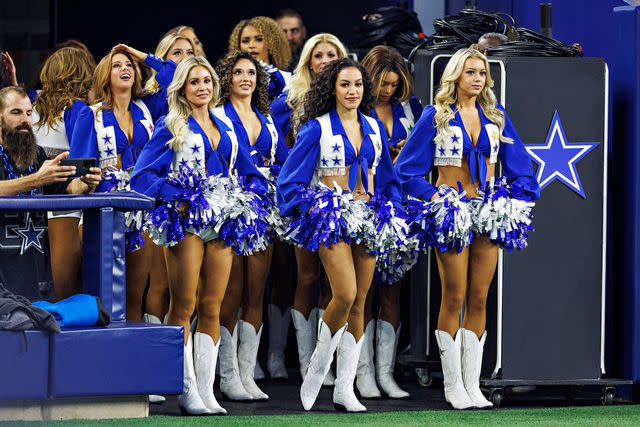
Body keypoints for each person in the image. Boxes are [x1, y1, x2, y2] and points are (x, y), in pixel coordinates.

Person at [395, 47, 540, 409]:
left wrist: (516, 196)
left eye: (482, 73)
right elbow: (407, 169)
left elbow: (518, 162)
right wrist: (433, 197)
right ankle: (453, 385)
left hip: (488, 211)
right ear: (455, 75)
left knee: (479, 296)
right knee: (454, 295)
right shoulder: (436, 116)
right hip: (452, 211)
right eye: (471, 72)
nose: (477, 79)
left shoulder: (496, 116)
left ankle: (473, 384)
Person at [130, 56, 268, 415]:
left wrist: (247, 196)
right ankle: (185, 389)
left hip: (221, 221)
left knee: (213, 305)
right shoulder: (170, 125)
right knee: (184, 305)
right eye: (194, 82)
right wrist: (176, 197)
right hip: (187, 222)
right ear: (182, 88)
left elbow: (250, 171)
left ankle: (207, 391)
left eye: (206, 80)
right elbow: (142, 176)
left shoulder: (227, 125)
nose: (202, 87)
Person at [277, 58, 405, 412]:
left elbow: (388, 176)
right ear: (332, 88)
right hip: (332, 217)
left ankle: (344, 388)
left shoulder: (374, 127)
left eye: (358, 85)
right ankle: (318, 366)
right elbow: (290, 180)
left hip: (368, 216)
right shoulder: (316, 128)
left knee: (361, 300)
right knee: (344, 292)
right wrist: (310, 210)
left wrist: (391, 210)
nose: (352, 91)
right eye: (345, 84)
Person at [269, 32, 347, 386]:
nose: (326, 60)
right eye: (319, 55)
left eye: (333, 54)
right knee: (307, 278)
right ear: (308, 62)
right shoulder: (289, 101)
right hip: (305, 202)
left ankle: (327, 363)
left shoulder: (349, 101)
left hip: (342, 205)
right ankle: (303, 362)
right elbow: (277, 147)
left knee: (337, 285)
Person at [214, 50, 288, 399]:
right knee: (229, 294)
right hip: (228, 210)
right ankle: (226, 376)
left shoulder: (268, 118)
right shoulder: (216, 116)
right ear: (226, 78)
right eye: (238, 72)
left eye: (252, 73)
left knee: (256, 292)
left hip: (263, 210)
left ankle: (247, 374)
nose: (246, 78)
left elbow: (285, 160)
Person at [355, 45, 423, 400]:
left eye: (395, 85)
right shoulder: (354, 108)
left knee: (392, 291)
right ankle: (362, 373)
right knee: (361, 293)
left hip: (402, 207)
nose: (388, 91)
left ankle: (386, 373)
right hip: (362, 205)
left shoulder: (413, 110)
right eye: (383, 83)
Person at [69, 49, 156, 323]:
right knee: (104, 299)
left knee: (136, 297)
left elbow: (175, 75)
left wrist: (140, 55)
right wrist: (84, 182)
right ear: (105, 75)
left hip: (142, 212)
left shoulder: (149, 109)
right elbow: (74, 180)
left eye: (128, 64)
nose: (123, 68)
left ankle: (133, 362)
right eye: (116, 65)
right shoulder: (90, 115)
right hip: (104, 213)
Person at [32, 47, 95, 301]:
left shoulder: (29, 105)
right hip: (65, 205)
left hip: (30, 202)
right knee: (67, 292)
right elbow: (82, 165)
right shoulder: (80, 110)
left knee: (34, 288)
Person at [228, 16, 292, 101]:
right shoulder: (230, 82)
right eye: (245, 41)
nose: (251, 45)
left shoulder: (289, 80)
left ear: (271, 43)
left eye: (259, 39)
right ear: (238, 46)